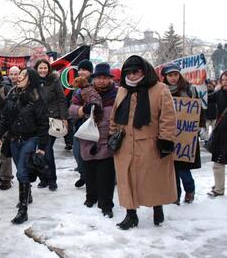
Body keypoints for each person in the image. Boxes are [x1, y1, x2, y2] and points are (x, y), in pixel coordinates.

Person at [110, 55, 177, 230]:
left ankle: (158, 207)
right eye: (128, 72)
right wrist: (112, 134)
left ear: (144, 70)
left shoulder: (160, 89)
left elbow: (168, 118)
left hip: (151, 144)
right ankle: (130, 215)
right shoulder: (122, 90)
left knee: (153, 180)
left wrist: (166, 140)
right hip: (124, 144)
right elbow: (114, 116)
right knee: (126, 181)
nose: (131, 75)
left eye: (136, 71)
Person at [0, 68, 49, 224]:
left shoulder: (37, 96)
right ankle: (28, 193)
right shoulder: (12, 93)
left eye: (23, 76)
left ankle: (22, 210)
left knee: (23, 172)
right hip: (13, 139)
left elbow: (44, 124)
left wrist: (42, 147)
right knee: (20, 170)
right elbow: (5, 117)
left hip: (30, 139)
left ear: (30, 79)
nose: (19, 77)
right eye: (19, 75)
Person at [70, 63, 117, 218]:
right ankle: (91, 198)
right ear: (94, 78)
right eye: (99, 78)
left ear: (110, 79)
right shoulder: (83, 92)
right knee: (89, 172)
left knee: (106, 175)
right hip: (88, 139)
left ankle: (106, 205)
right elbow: (71, 110)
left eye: (105, 78)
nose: (102, 81)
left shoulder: (116, 94)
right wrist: (83, 109)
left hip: (107, 138)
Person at [161, 62, 202, 204]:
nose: (173, 78)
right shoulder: (161, 91)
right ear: (165, 77)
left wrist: (198, 127)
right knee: (172, 169)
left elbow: (198, 109)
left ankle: (190, 190)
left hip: (186, 136)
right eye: (170, 75)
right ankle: (175, 196)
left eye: (175, 74)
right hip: (168, 135)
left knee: (183, 170)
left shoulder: (189, 89)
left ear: (179, 75)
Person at [34, 59, 68, 191]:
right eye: (40, 68)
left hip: (52, 120)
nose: (43, 70)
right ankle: (43, 179)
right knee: (38, 151)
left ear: (48, 69)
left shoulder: (54, 81)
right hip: (37, 122)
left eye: (45, 68)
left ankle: (52, 179)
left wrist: (64, 117)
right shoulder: (32, 82)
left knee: (47, 150)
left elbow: (62, 100)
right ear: (36, 69)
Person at [71, 59, 95, 188]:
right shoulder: (77, 87)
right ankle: (83, 174)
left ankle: (90, 176)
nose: (81, 72)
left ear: (90, 72)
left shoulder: (94, 85)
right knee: (77, 151)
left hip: (92, 124)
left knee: (90, 152)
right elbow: (73, 104)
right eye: (80, 69)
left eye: (84, 70)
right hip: (79, 123)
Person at [207, 70, 227, 197]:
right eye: (223, 80)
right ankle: (219, 188)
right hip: (221, 132)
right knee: (219, 161)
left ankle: (219, 188)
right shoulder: (219, 93)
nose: (225, 82)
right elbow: (206, 99)